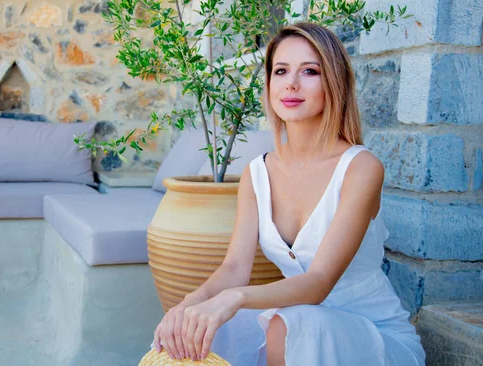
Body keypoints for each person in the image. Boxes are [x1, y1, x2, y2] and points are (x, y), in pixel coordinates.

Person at [152, 22, 426, 366]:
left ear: (333, 82)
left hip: (370, 336)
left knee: (292, 324)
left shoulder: (360, 167)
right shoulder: (257, 173)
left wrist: (234, 298)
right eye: (281, 71)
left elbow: (319, 282)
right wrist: (188, 305)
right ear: (268, 84)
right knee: (192, 332)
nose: (291, 84)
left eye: (309, 71)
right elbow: (235, 267)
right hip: (296, 321)